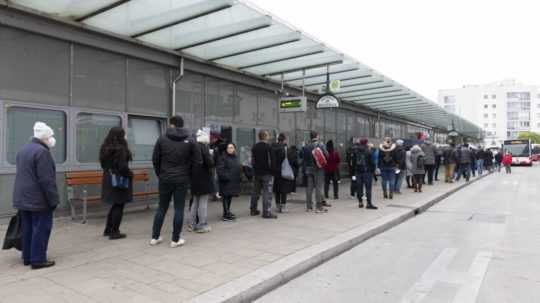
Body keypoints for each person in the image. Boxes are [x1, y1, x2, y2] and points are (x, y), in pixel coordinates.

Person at [150, 116, 202, 248]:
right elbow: (198, 161)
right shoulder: (190, 140)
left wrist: (160, 174)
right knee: (179, 208)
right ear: (182, 125)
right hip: (182, 179)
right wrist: (190, 177)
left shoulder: (162, 138)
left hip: (165, 178)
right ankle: (175, 239)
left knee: (162, 207)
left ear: (172, 125)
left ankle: (155, 237)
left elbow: (155, 159)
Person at [13, 122, 59, 269]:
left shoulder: (23, 149)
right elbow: (46, 180)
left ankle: (27, 257)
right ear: (45, 137)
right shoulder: (42, 152)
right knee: (41, 229)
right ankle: (38, 259)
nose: (52, 139)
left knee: (27, 228)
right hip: (39, 200)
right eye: (51, 136)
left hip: (23, 198)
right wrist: (53, 200)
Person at [99, 127, 133, 240]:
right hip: (119, 180)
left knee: (115, 204)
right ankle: (115, 231)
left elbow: (103, 165)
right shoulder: (121, 149)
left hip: (108, 178)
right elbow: (122, 167)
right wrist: (130, 174)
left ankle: (108, 229)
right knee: (119, 204)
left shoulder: (105, 147)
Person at [189, 129, 214, 233]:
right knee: (203, 202)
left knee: (195, 202)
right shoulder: (203, 147)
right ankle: (201, 225)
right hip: (203, 177)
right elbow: (210, 163)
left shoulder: (191, 147)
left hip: (194, 178)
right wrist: (211, 156)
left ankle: (192, 224)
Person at [250, 130, 278, 219]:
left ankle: (253, 210)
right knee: (267, 193)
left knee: (255, 192)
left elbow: (252, 161)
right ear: (266, 137)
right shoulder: (269, 147)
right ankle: (267, 212)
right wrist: (273, 172)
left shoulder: (254, 147)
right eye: (268, 135)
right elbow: (272, 161)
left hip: (257, 173)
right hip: (267, 174)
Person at [302, 131, 329, 213]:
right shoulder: (320, 145)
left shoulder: (307, 146)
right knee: (318, 187)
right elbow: (327, 155)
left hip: (309, 169)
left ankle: (309, 207)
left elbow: (304, 158)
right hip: (318, 169)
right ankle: (319, 207)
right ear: (317, 136)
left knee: (309, 188)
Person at [217, 143, 242, 220]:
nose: (230, 149)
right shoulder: (223, 157)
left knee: (229, 196)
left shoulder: (235, 157)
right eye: (228, 148)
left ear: (234, 149)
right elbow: (220, 169)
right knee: (225, 197)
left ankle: (227, 212)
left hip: (233, 181)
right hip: (226, 181)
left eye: (231, 148)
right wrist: (226, 177)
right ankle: (225, 214)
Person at [272, 133, 295, 213]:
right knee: (284, 189)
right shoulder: (286, 149)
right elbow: (291, 160)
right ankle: (284, 207)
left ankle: (277, 207)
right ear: (284, 139)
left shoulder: (273, 148)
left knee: (277, 189)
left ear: (278, 139)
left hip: (276, 171)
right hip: (284, 171)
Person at [352, 138, 377, 209]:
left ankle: (360, 203)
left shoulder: (355, 151)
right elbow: (372, 163)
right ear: (366, 143)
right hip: (367, 172)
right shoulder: (369, 151)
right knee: (368, 188)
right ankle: (369, 204)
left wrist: (354, 172)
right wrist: (373, 171)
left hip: (358, 172)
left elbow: (353, 162)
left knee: (359, 188)